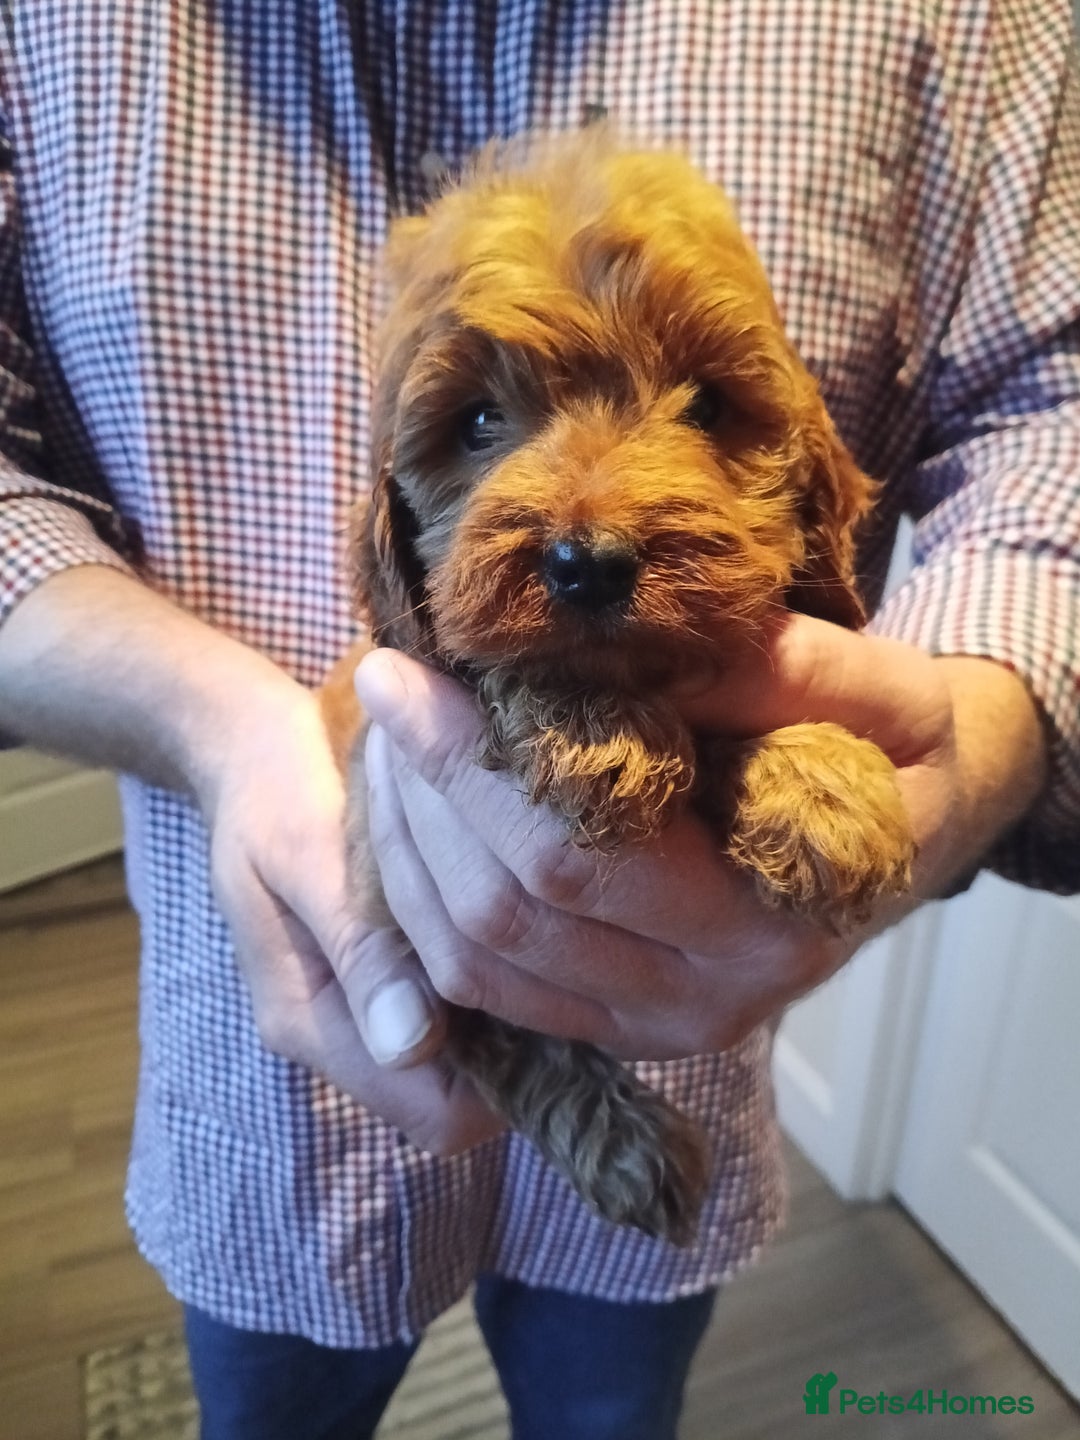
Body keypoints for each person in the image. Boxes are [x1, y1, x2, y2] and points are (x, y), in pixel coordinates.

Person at [0, 4, 1077, 1437]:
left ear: (818, 492)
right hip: (269, 1088)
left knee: (613, 1416)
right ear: (389, 536)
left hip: (685, 1072)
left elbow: (1052, 407)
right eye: (485, 425)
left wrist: (951, 734)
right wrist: (222, 724)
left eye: (696, 406)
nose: (596, 509)